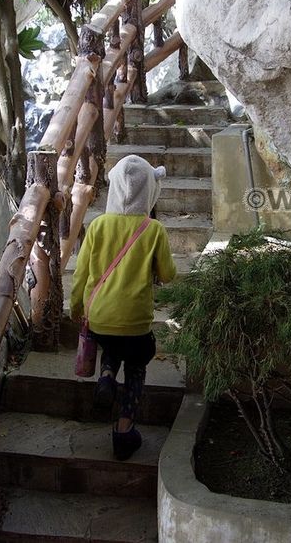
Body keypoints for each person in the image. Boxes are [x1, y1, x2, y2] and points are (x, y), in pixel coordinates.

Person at [70, 154, 177, 461]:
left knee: (112, 344)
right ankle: (124, 429)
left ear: (114, 186)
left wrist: (77, 307)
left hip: (100, 317)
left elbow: (80, 273)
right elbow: (168, 275)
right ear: (149, 191)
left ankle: (105, 377)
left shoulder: (98, 225)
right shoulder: (153, 230)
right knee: (137, 364)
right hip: (136, 320)